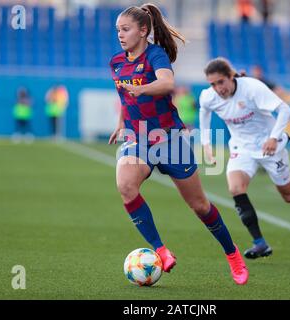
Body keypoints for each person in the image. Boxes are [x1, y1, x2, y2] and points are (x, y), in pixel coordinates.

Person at [108, 4, 248, 284]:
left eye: (126, 29)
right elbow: (125, 97)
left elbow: (166, 84)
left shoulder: (156, 55)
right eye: (118, 31)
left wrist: (142, 88)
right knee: (125, 186)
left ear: (143, 30)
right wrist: (122, 123)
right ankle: (161, 251)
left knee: (199, 206)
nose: (120, 35)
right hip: (139, 137)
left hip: (169, 138)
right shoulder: (116, 62)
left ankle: (232, 253)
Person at [199, 57, 290, 259]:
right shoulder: (208, 96)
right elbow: (204, 112)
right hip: (242, 147)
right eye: (212, 84)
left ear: (231, 76)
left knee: (288, 195)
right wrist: (206, 144)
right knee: (235, 188)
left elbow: (285, 109)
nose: (217, 88)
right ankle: (260, 243)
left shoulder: (252, 88)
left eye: (220, 82)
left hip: (269, 145)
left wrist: (274, 138)